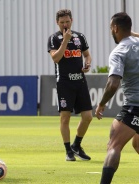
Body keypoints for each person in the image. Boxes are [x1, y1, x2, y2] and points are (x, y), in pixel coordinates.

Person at [95, 12, 139, 184]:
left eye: (110, 28)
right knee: (137, 144)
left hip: (135, 106)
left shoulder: (119, 51)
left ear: (115, 28)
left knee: (114, 145)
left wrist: (102, 103)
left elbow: (113, 84)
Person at [47, 9, 93, 161]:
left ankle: (77, 145)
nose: (65, 25)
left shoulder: (80, 37)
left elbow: (87, 55)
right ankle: (68, 151)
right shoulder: (54, 38)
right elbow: (56, 58)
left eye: (67, 21)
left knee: (88, 116)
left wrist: (87, 63)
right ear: (57, 23)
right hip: (64, 82)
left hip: (79, 80)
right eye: (62, 22)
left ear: (71, 20)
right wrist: (65, 40)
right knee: (65, 118)